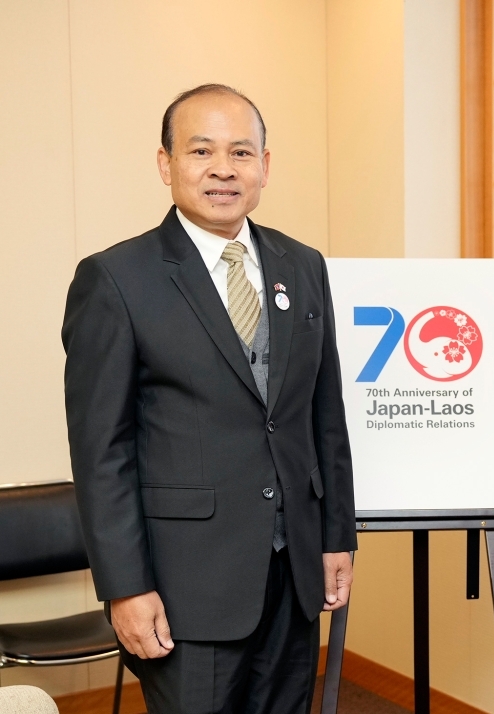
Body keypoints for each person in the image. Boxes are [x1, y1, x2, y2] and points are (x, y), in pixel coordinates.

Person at [62, 84, 357, 714]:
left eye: (241, 152)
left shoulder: (302, 266)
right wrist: (125, 588)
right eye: (202, 151)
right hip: (183, 586)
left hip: (294, 573)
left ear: (265, 167)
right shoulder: (116, 279)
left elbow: (323, 416)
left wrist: (336, 536)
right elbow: (101, 454)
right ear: (166, 164)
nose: (224, 169)